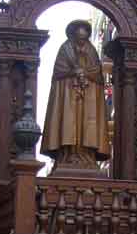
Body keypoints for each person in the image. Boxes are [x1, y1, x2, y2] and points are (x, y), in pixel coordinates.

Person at [40, 19, 111, 174]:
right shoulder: (65, 49)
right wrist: (73, 73)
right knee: (68, 124)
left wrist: (85, 73)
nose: (82, 41)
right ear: (73, 36)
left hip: (88, 98)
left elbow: (97, 73)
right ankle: (67, 155)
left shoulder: (92, 50)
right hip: (68, 95)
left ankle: (87, 157)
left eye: (84, 38)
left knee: (87, 125)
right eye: (79, 38)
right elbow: (59, 71)